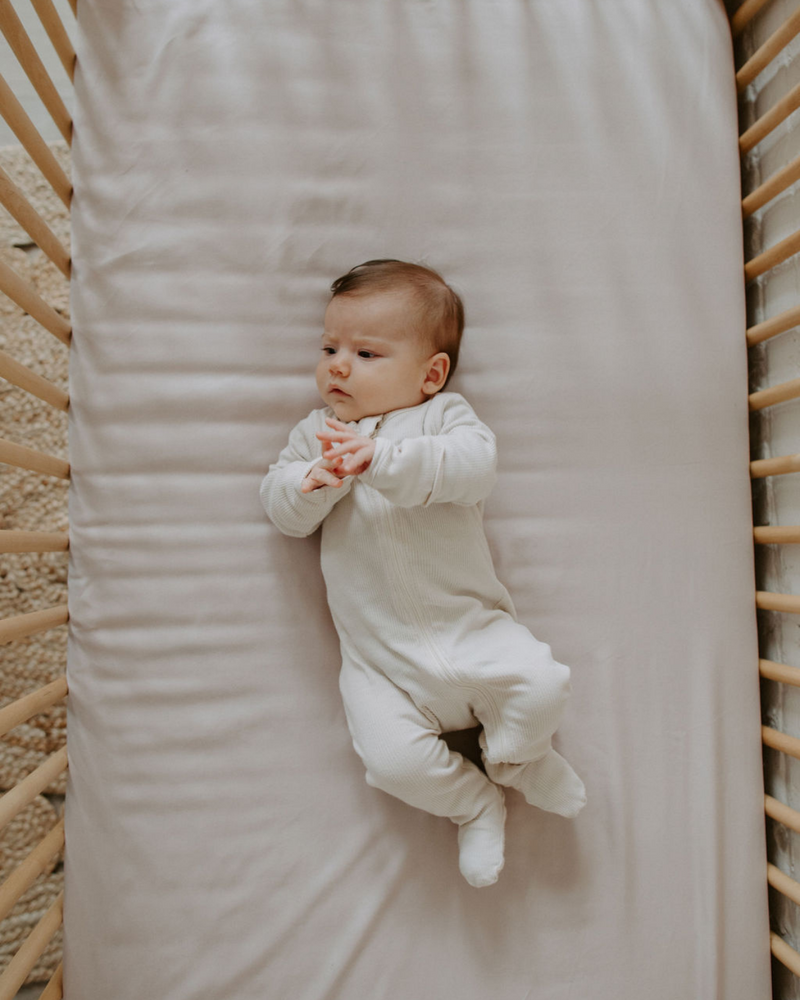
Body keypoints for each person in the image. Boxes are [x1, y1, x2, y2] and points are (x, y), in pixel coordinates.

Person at [259, 259, 586, 887]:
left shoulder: (444, 421)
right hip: (380, 661)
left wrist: (380, 458)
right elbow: (283, 511)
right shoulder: (315, 435)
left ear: (431, 374)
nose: (338, 364)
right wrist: (313, 483)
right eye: (329, 346)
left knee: (544, 686)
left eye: (366, 352)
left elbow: (473, 468)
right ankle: (474, 803)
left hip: (471, 628)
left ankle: (518, 759)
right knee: (390, 762)